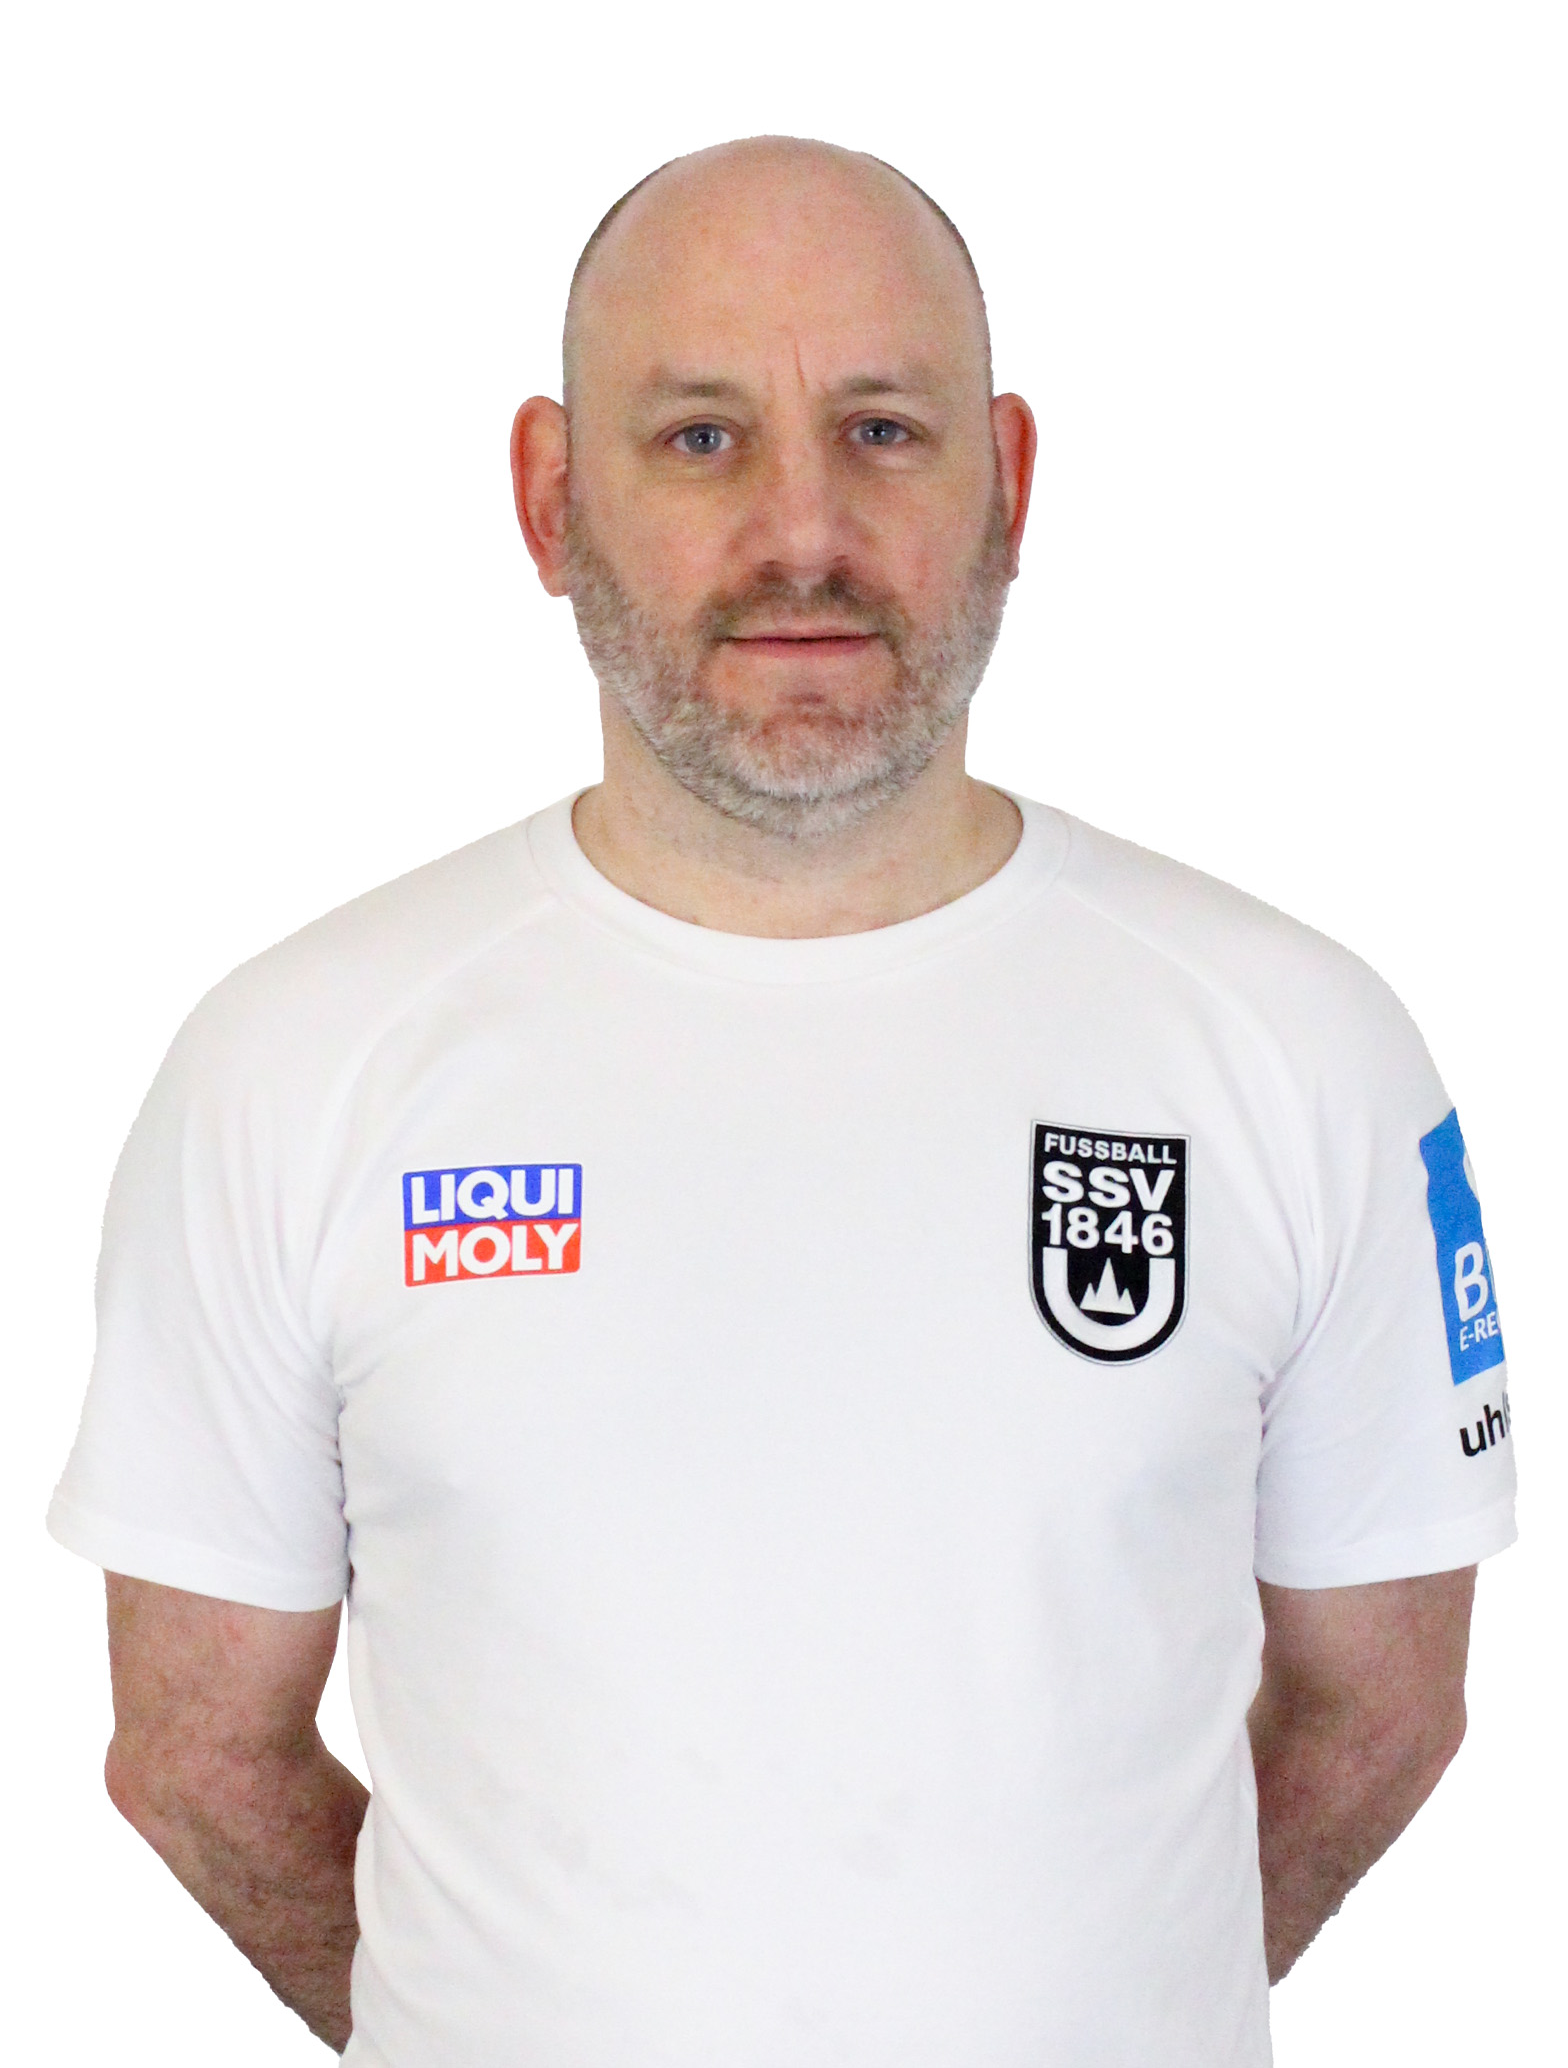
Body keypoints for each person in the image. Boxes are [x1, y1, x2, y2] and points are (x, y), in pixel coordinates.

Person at [50, 136, 1516, 2066]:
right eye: (701, 438)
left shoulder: (1302, 1045)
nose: (803, 530)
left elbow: (1384, 1707)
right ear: (551, 499)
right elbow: (196, 1751)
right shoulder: (291, 1066)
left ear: (1010, 484)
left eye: (885, 432)